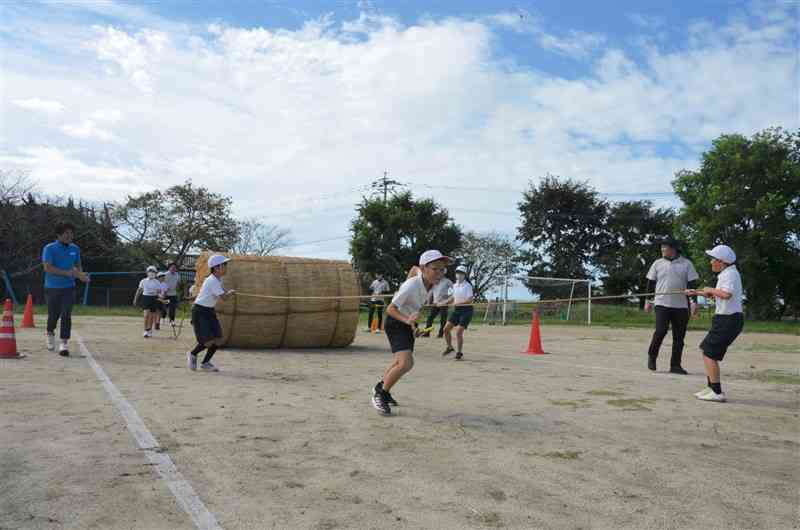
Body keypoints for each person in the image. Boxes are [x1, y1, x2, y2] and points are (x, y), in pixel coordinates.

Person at [371, 250, 451, 416]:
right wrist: (407, 321)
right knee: (406, 363)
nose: (439, 273)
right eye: (435, 269)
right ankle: (381, 395)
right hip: (395, 321)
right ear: (425, 268)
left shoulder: (431, 284)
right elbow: (390, 309)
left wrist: (414, 326)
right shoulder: (412, 285)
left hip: (406, 322)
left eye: (442, 269)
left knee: (399, 362)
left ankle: (381, 386)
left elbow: (414, 270)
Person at [687, 245, 744, 403]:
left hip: (728, 319)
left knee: (709, 352)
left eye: (713, 259)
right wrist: (696, 292)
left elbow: (726, 294)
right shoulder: (726, 274)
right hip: (724, 319)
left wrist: (709, 289)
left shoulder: (730, 274)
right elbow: (718, 295)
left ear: (722, 261)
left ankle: (717, 391)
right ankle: (711, 387)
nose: (711, 262)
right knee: (707, 351)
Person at [644, 238, 700, 374]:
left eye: (665, 248)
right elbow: (650, 283)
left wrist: (694, 302)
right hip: (662, 303)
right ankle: (652, 355)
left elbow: (692, 285)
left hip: (681, 306)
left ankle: (675, 365)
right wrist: (648, 301)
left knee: (679, 337)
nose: (662, 250)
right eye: (662, 248)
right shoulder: (657, 263)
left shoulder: (687, 264)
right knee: (661, 331)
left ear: (673, 249)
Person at [41, 221, 89, 356]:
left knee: (66, 314)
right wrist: (66, 273)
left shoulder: (75, 248)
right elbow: (47, 267)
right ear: (58, 235)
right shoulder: (49, 248)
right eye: (66, 233)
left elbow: (78, 265)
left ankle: (64, 343)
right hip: (52, 287)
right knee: (53, 315)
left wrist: (81, 275)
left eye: (71, 233)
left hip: (69, 287)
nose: (70, 236)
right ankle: (50, 333)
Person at [187, 254, 236, 372]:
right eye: (224, 265)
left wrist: (227, 291)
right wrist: (230, 293)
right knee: (208, 342)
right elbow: (224, 298)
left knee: (218, 339)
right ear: (217, 267)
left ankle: (205, 363)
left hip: (209, 311)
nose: (226, 267)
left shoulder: (218, 279)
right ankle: (193, 354)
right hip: (200, 311)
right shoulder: (212, 280)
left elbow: (221, 289)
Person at [442, 265, 474, 360]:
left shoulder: (467, 286)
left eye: (461, 273)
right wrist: (444, 302)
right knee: (446, 329)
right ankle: (450, 347)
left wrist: (458, 303)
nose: (459, 275)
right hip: (457, 310)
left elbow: (470, 299)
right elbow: (452, 297)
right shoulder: (454, 285)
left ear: (465, 275)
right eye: (457, 273)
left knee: (459, 331)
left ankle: (459, 352)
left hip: (466, 310)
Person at [133, 266, 161, 338]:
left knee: (151, 316)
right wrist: (135, 299)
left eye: (153, 271)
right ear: (147, 272)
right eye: (150, 271)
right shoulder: (143, 281)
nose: (151, 273)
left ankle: (149, 330)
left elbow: (159, 291)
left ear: (155, 273)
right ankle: (145, 330)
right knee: (146, 315)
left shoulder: (157, 282)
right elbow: (139, 290)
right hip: (146, 297)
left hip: (154, 298)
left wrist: (160, 296)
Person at [423, 273, 453, 338]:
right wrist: (428, 301)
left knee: (443, 319)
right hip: (435, 303)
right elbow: (431, 292)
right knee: (430, 318)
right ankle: (426, 333)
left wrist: (448, 299)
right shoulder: (434, 281)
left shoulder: (447, 281)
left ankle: (441, 334)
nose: (439, 274)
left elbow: (454, 290)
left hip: (443, 304)